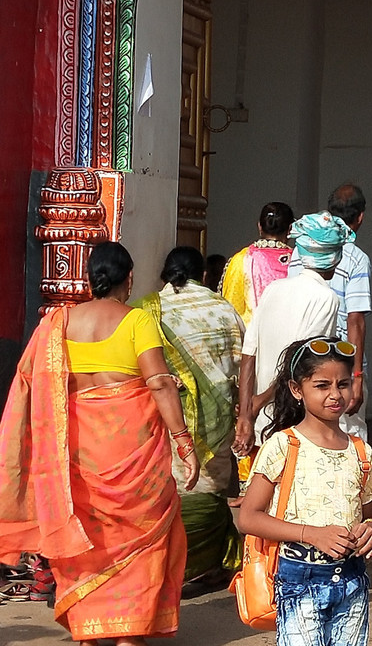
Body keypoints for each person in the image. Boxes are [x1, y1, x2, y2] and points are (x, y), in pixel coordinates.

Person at [0, 242, 200, 645]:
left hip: (75, 457)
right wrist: (184, 442)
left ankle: (90, 633)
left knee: (85, 540)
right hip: (134, 457)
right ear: (129, 280)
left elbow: (30, 383)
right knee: (142, 540)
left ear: (91, 279)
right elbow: (159, 382)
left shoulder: (57, 325)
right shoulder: (137, 321)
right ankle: (129, 633)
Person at [238, 337, 372, 646]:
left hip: (352, 580)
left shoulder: (361, 452)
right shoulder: (283, 445)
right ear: (297, 390)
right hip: (298, 580)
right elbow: (248, 518)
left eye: (343, 384)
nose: (335, 395)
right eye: (322, 385)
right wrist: (311, 534)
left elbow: (370, 517)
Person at [135, 246, 244, 592]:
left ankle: (171, 567)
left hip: (167, 417)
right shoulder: (224, 309)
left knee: (174, 490)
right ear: (205, 276)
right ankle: (207, 563)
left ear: (164, 275)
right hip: (219, 416)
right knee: (211, 489)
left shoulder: (148, 311)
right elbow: (242, 361)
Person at [234, 211, 350, 455]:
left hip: (261, 421)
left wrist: (247, 411)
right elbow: (299, 362)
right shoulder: (325, 298)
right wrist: (259, 403)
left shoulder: (273, 289)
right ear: (335, 259)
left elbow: (249, 353)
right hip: (293, 420)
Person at [288, 184, 371, 440]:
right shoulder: (356, 257)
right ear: (360, 217)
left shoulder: (298, 251)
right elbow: (355, 320)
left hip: (303, 361)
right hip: (340, 367)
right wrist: (355, 377)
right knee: (347, 438)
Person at [221, 201, 295, 325]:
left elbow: (230, 308)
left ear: (260, 227)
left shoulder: (242, 259)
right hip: (292, 339)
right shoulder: (299, 261)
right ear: (290, 229)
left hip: (251, 339)